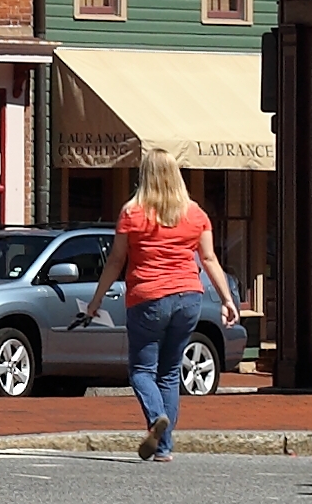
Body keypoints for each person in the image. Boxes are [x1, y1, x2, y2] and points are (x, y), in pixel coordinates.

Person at [70, 149, 239, 461]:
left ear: (144, 175)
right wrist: (228, 299)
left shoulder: (132, 212)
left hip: (148, 297)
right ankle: (163, 446)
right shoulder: (195, 213)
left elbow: (116, 261)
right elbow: (209, 259)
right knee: (170, 371)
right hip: (190, 297)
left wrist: (95, 302)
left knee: (142, 370)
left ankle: (157, 418)